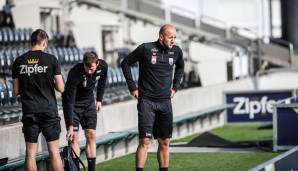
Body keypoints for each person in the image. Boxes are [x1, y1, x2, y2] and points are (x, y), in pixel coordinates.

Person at [121, 24, 184, 171]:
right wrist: (132, 87)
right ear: (161, 36)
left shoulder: (176, 51)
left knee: (164, 142)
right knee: (145, 141)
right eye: (170, 37)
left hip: (165, 102)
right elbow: (125, 63)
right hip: (147, 101)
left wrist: (175, 87)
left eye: (174, 37)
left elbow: (180, 67)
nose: (173, 40)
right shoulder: (146, 49)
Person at [12, 29, 64, 171]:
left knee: (30, 154)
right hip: (49, 111)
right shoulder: (52, 59)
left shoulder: (18, 61)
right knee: (54, 152)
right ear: (44, 42)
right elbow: (61, 88)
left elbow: (16, 91)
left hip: (29, 111)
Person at [62, 52, 108, 171]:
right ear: (83, 64)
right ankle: (75, 169)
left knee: (91, 135)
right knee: (74, 138)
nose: (88, 71)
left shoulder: (103, 66)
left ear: (97, 64)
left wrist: (99, 99)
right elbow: (69, 102)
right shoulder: (74, 74)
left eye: (91, 69)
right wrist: (70, 125)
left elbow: (102, 81)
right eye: (86, 68)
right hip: (74, 106)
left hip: (89, 104)